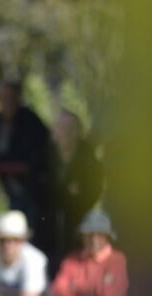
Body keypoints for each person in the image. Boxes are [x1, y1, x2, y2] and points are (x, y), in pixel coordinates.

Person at [0, 80, 51, 249]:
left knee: (32, 226)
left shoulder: (31, 121)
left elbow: (38, 152)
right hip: (10, 186)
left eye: (10, 98)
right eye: (2, 98)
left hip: (34, 187)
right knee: (14, 221)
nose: (6, 103)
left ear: (18, 99)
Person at [48, 110, 105, 277]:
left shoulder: (89, 158)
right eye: (61, 128)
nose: (66, 133)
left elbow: (94, 188)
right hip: (47, 224)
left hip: (77, 221)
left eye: (70, 128)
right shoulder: (43, 155)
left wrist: (75, 200)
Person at [52, 209, 128, 296]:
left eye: (99, 234)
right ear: (82, 236)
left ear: (107, 237)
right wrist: (96, 287)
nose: (94, 239)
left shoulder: (117, 260)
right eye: (89, 234)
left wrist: (74, 286)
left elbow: (108, 295)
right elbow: (57, 294)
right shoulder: (72, 259)